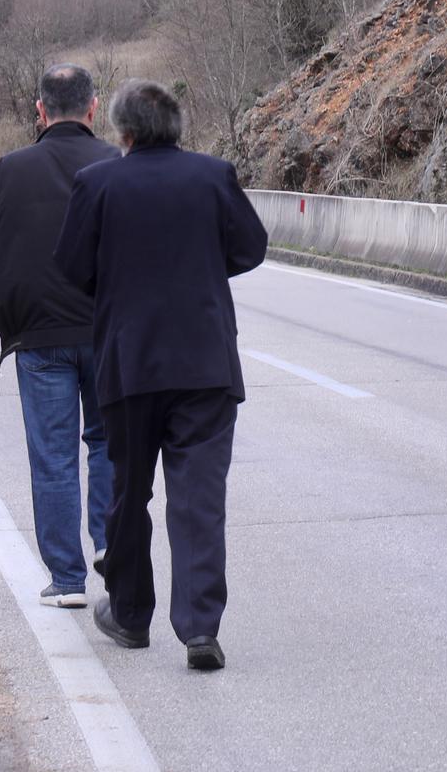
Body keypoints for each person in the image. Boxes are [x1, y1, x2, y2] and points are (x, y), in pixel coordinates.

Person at [53, 79, 268, 671]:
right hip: (204, 364)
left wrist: (119, 282)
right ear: (177, 128)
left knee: (128, 493)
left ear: (121, 130)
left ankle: (129, 613)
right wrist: (201, 266)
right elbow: (251, 248)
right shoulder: (213, 175)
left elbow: (71, 266)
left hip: (130, 362)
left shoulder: (97, 183)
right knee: (199, 499)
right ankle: (200, 628)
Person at [0, 64, 118, 609]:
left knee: (52, 457)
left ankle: (68, 580)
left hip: (37, 337)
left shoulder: (6, 171)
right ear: (94, 109)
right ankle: (111, 548)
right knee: (108, 445)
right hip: (109, 335)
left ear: (40, 111)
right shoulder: (117, 166)